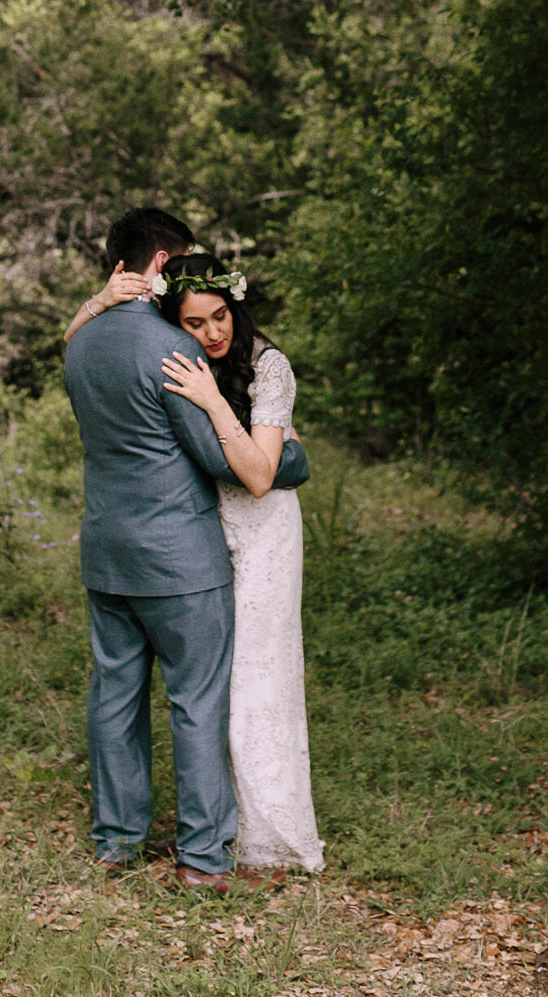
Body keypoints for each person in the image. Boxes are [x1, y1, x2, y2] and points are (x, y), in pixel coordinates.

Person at [62, 208, 311, 893]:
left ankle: (116, 842)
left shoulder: (80, 343)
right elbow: (220, 460)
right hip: (178, 561)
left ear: (120, 265)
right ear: (167, 265)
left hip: (106, 550)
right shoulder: (172, 349)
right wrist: (290, 463)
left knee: (114, 696)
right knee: (197, 701)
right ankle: (202, 856)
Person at [154, 254, 325, 875]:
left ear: (236, 306)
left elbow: (258, 476)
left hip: (266, 533)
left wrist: (211, 400)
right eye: (195, 324)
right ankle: (222, 823)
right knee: (218, 681)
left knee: (261, 677)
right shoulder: (183, 361)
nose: (213, 333)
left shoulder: (267, 366)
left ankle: (273, 837)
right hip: (211, 534)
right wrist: (95, 304)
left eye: (220, 316)